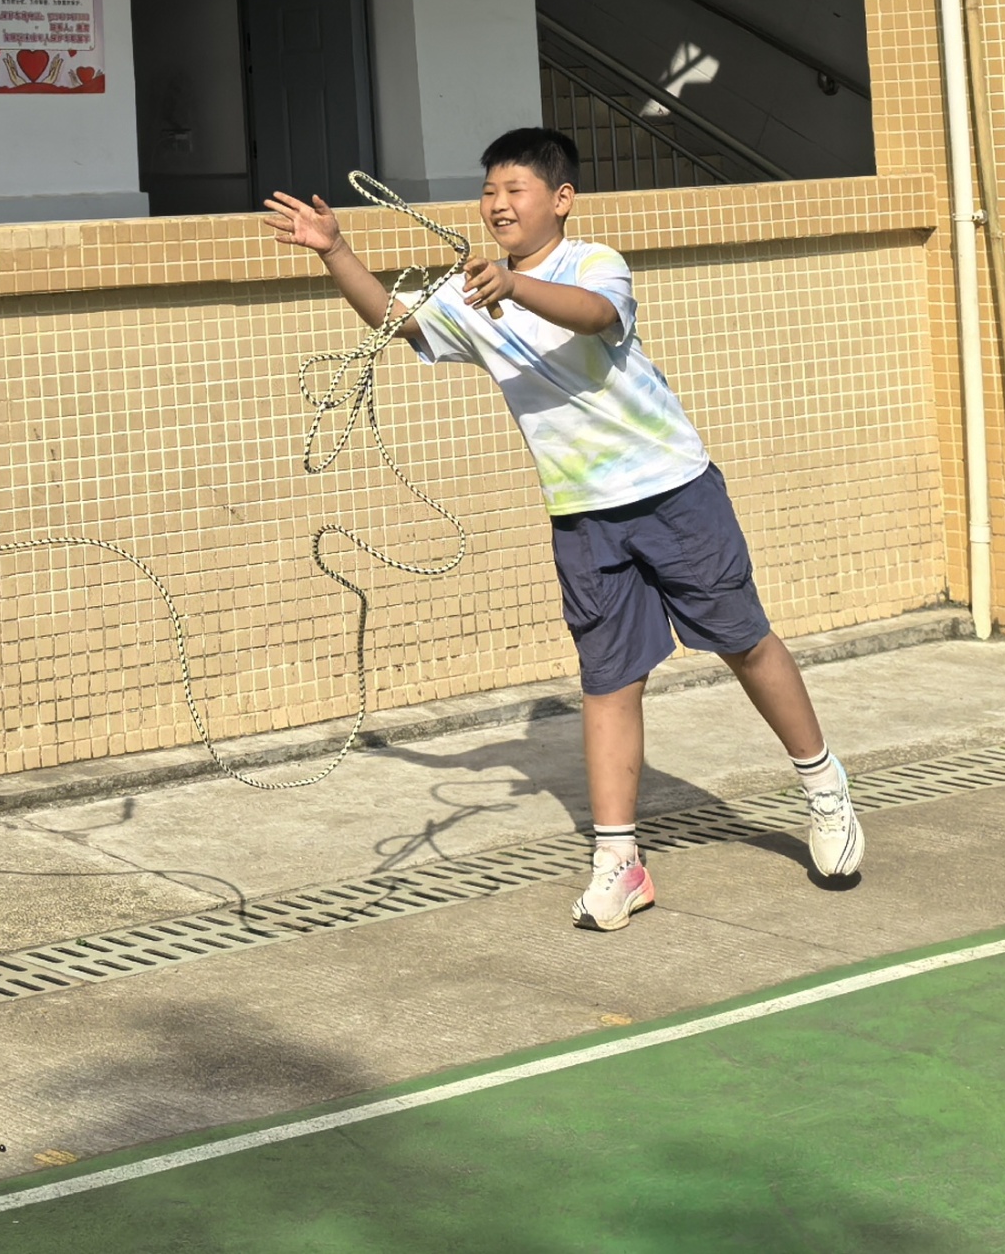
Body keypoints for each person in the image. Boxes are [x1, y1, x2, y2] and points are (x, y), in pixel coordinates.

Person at [264, 125, 862, 933]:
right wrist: (334, 250)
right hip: (580, 515)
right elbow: (400, 324)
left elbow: (592, 315)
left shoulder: (591, 264)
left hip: (672, 492)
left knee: (743, 641)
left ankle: (823, 788)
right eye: (488, 191)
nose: (496, 204)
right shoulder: (471, 293)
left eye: (514, 189)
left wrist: (512, 286)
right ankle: (619, 863)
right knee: (607, 680)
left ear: (561, 199)